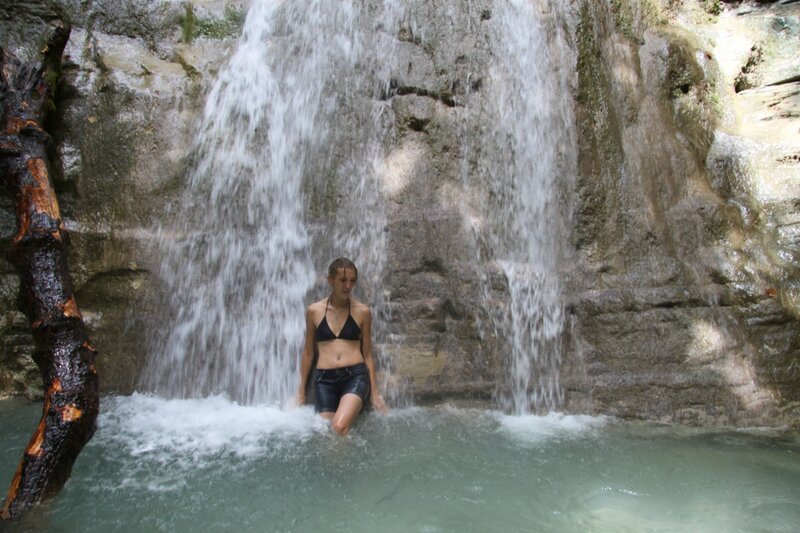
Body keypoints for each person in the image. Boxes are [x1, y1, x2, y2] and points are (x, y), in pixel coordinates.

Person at [297, 258, 388, 435]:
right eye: (343, 280)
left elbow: (368, 354)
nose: (348, 286)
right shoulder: (314, 311)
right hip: (324, 380)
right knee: (326, 434)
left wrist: (375, 393)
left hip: (355, 376)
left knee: (338, 427)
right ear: (331, 279)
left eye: (352, 281)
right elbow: (308, 353)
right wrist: (301, 393)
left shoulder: (363, 312)